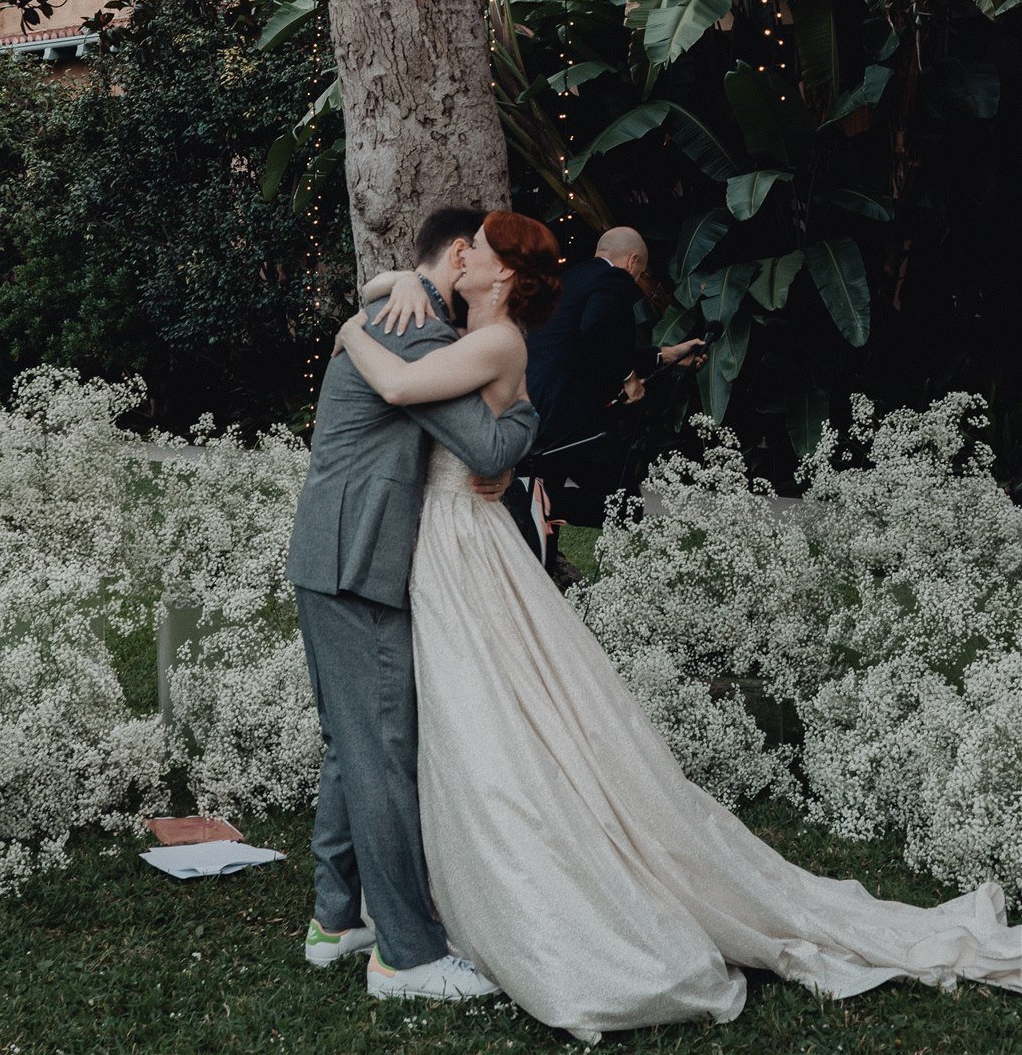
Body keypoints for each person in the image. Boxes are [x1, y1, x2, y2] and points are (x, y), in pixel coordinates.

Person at [339, 212, 1022, 1037]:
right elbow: (433, 341)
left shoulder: (496, 341)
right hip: (448, 548)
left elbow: (409, 393)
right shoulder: (458, 318)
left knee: (487, 714)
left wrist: (349, 327)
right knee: (475, 709)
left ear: (501, 274)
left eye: (476, 248)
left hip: (462, 548)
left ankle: (536, 907)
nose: (463, 254)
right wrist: (397, 284)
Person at [285, 205, 539, 1004]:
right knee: (382, 754)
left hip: (329, 554)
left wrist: (370, 297)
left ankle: (337, 920)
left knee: (351, 744)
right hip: (361, 561)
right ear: (462, 255)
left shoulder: (387, 309)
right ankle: (406, 955)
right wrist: (526, 413)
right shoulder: (413, 331)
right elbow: (490, 445)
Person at [526, 225, 705, 528]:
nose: (636, 281)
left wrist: (668, 354)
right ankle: (537, 501)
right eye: (640, 273)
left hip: (538, 404)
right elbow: (596, 330)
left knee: (542, 503)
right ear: (632, 261)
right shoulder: (614, 278)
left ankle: (538, 527)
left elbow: (591, 347)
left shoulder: (567, 278)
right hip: (576, 413)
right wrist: (628, 378)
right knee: (625, 505)